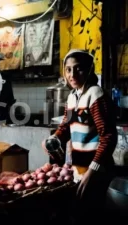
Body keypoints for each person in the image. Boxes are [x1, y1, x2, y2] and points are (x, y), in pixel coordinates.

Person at [42, 49, 117, 222]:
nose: (72, 74)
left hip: (97, 172)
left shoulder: (95, 94)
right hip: (80, 171)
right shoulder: (72, 97)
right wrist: (53, 139)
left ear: (89, 69)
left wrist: (92, 171)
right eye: (68, 69)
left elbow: (108, 136)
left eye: (78, 68)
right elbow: (66, 127)